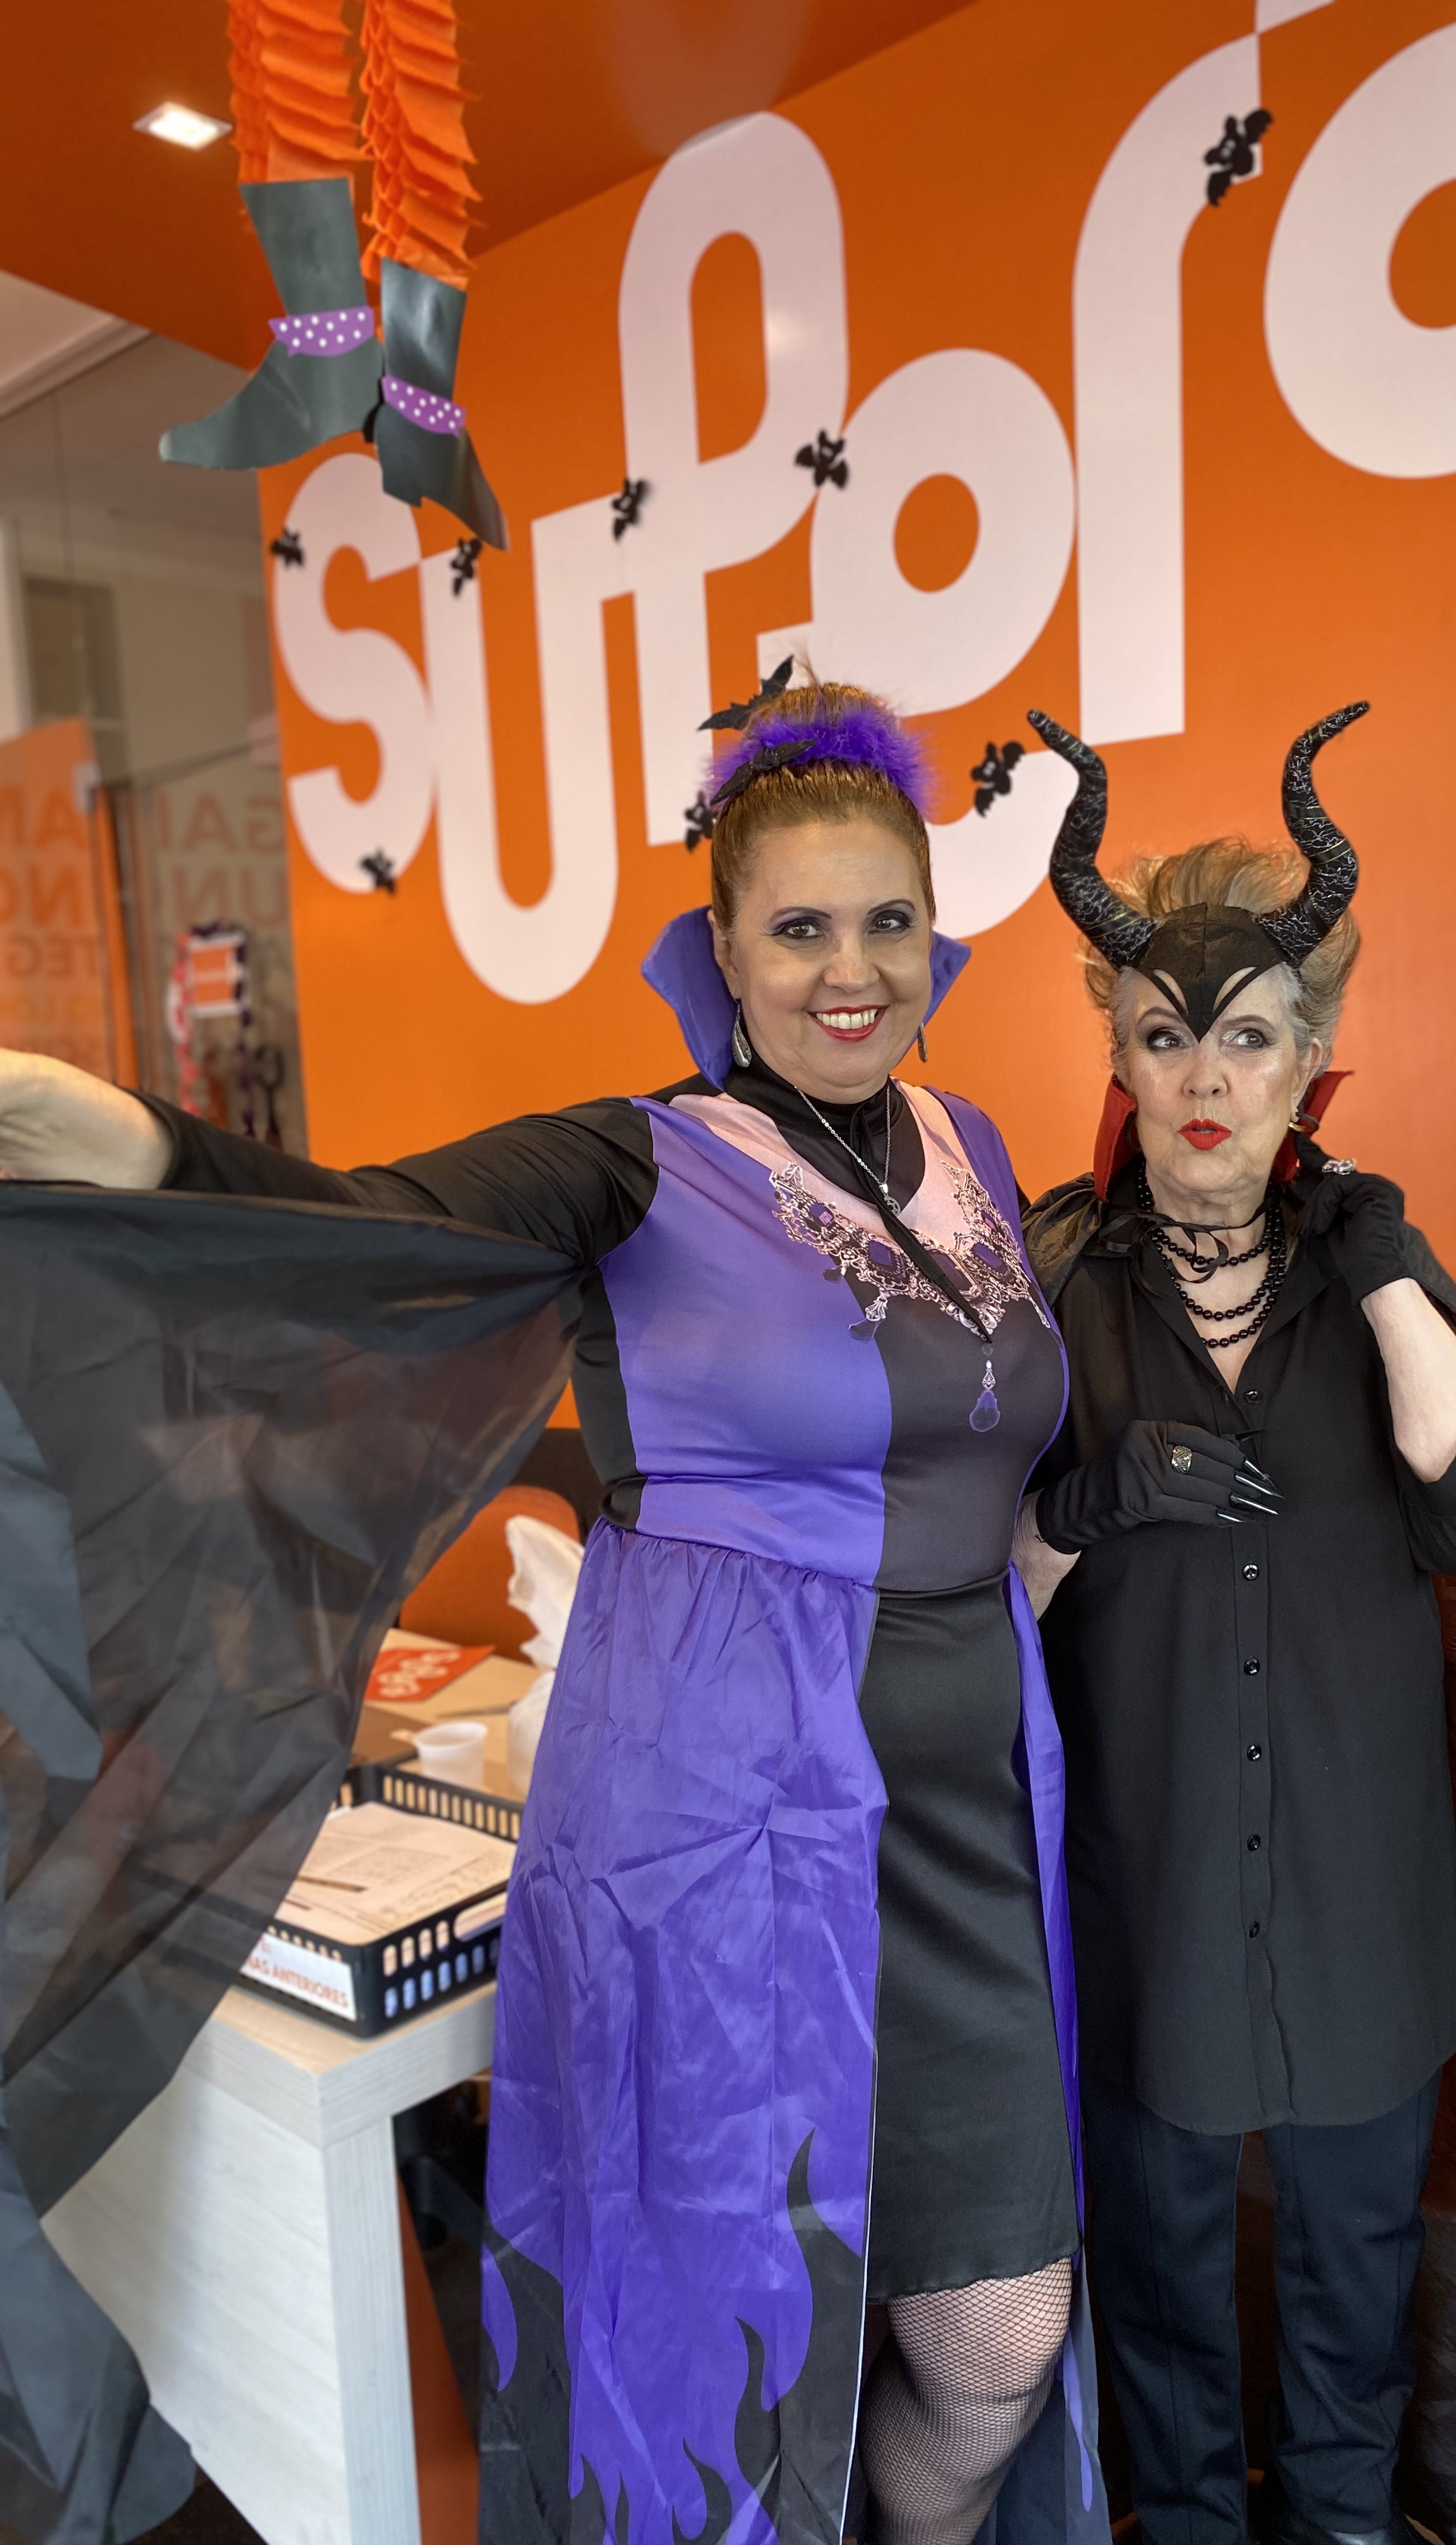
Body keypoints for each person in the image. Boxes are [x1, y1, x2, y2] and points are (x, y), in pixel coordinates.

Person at [0, 682, 1108, 2545]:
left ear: (937, 934)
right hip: (727, 1831)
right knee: (744, 2337)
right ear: (724, 954)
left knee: (996, 2338)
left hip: (974, 1828)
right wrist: (142, 1149)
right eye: (800, 928)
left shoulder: (973, 1145)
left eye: (888, 922)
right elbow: (376, 1222)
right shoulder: (642, 1160)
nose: (850, 972)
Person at [1013, 709, 1456, 2545]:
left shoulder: (1375, 1275)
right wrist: (1087, 1502)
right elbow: (966, 1598)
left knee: (1351, 2317)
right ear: (1119, 1050)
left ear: (1310, 1058)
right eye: (1165, 1036)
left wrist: (1387, 1267)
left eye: (1249, 1037)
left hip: (1357, 1921)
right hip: (1154, 1913)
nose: (1205, 1080)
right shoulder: (1053, 1288)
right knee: (1163, 2316)